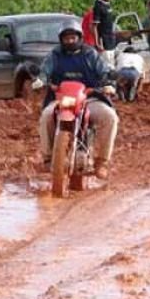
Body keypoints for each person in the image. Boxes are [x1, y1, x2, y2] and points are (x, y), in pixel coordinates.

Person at [37, 19, 118, 180]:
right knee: (46, 116)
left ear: (79, 37)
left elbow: (103, 70)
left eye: (73, 37)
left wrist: (108, 83)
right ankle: (47, 158)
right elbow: (45, 70)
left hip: (89, 99)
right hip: (61, 99)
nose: (70, 41)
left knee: (110, 117)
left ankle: (101, 162)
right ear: (61, 40)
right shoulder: (55, 55)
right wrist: (41, 79)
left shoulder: (90, 54)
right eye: (66, 38)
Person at [92, 0, 117, 68]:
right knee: (106, 65)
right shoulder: (98, 6)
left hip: (111, 40)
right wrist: (97, 43)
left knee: (112, 62)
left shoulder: (109, 4)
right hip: (103, 41)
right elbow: (94, 26)